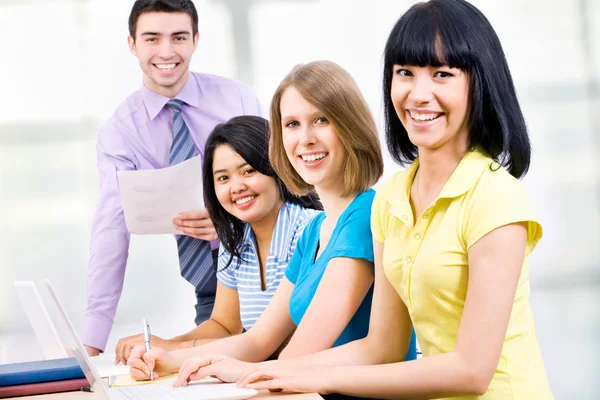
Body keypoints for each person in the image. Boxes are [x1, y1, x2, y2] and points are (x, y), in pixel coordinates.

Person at [194, 1, 554, 399]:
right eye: (405, 73)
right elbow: (381, 347)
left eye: (442, 74)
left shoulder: (495, 197)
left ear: (478, 84)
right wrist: (255, 372)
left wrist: (308, 377)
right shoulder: (394, 197)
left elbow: (471, 371)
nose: (419, 94)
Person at [127, 61, 416, 386]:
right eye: (292, 124)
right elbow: (258, 339)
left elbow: (299, 355)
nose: (305, 139)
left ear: (349, 125)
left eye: (321, 120)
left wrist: (242, 372)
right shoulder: (314, 231)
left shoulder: (365, 216)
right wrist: (168, 360)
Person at [83, 0, 261, 357]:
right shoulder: (121, 131)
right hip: (213, 287)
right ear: (132, 44)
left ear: (195, 40)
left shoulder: (236, 98)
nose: (166, 51)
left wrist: (231, 218)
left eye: (178, 37)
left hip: (268, 262)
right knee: (204, 376)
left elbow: (282, 182)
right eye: (152, 38)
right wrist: (91, 343)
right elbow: (110, 232)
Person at [113, 116, 321, 364]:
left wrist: (174, 351)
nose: (236, 187)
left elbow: (275, 341)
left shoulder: (311, 230)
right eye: (223, 178)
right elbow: (224, 325)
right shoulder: (235, 240)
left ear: (277, 168)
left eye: (248, 171)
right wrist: (166, 346)